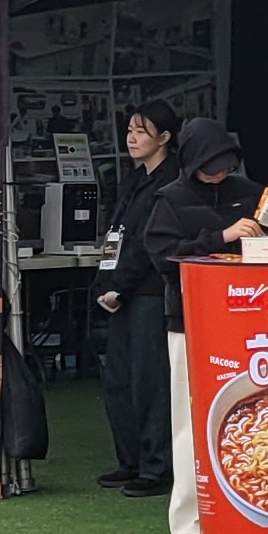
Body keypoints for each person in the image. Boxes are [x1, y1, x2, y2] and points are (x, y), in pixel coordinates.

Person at [142, 120, 268, 534]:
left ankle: (245, 513)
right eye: (211, 165)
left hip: (250, 321)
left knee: (251, 416)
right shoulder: (171, 199)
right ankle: (189, 522)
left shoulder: (249, 192)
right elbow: (162, 256)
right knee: (189, 420)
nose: (219, 173)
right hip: (190, 321)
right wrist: (221, 238)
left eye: (225, 165)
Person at [94, 102, 176, 495]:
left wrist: (119, 286)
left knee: (150, 383)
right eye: (129, 130)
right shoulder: (132, 181)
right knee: (118, 380)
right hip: (121, 291)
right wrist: (103, 284)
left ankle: (155, 467)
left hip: (149, 292)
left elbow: (149, 244)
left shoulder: (170, 182)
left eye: (142, 131)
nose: (132, 138)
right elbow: (117, 236)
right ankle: (129, 461)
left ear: (164, 138)